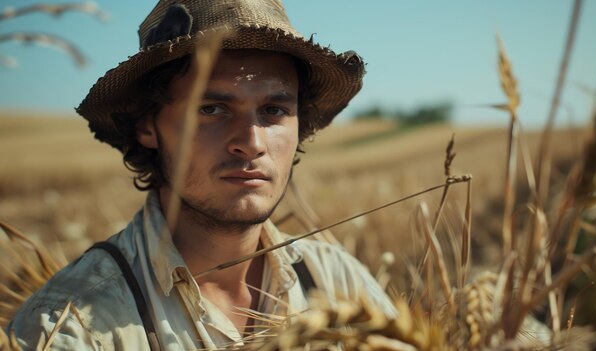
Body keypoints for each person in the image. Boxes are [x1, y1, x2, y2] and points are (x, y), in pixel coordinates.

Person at [6, 0, 396, 350]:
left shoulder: (336, 279)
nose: (251, 142)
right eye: (211, 109)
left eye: (274, 111)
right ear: (148, 125)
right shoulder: (70, 326)